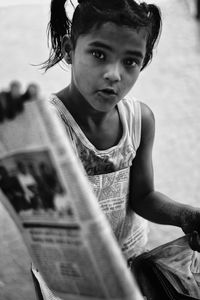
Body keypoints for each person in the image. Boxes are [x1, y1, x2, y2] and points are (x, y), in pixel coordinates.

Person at [1, 0, 200, 298]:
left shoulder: (139, 120)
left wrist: (186, 215)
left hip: (129, 265)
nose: (114, 74)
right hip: (70, 280)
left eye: (130, 61)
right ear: (69, 49)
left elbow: (143, 196)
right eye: (98, 54)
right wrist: (14, 131)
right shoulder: (48, 124)